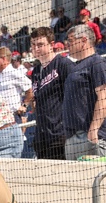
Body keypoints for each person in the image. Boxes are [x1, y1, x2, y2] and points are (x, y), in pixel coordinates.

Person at [62, 24, 106, 160]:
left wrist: (94, 130)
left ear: (84, 40)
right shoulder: (75, 66)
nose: (67, 44)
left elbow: (103, 97)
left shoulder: (96, 62)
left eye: (70, 40)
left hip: (89, 136)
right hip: (74, 136)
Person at [29, 27, 69, 159]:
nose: (36, 48)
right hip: (42, 138)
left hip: (61, 136)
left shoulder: (63, 64)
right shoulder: (35, 71)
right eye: (33, 45)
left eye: (40, 44)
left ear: (51, 45)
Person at [0, 47, 31, 119]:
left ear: (3, 59)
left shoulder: (13, 73)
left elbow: (30, 88)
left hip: (13, 116)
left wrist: (24, 106)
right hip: (1, 117)